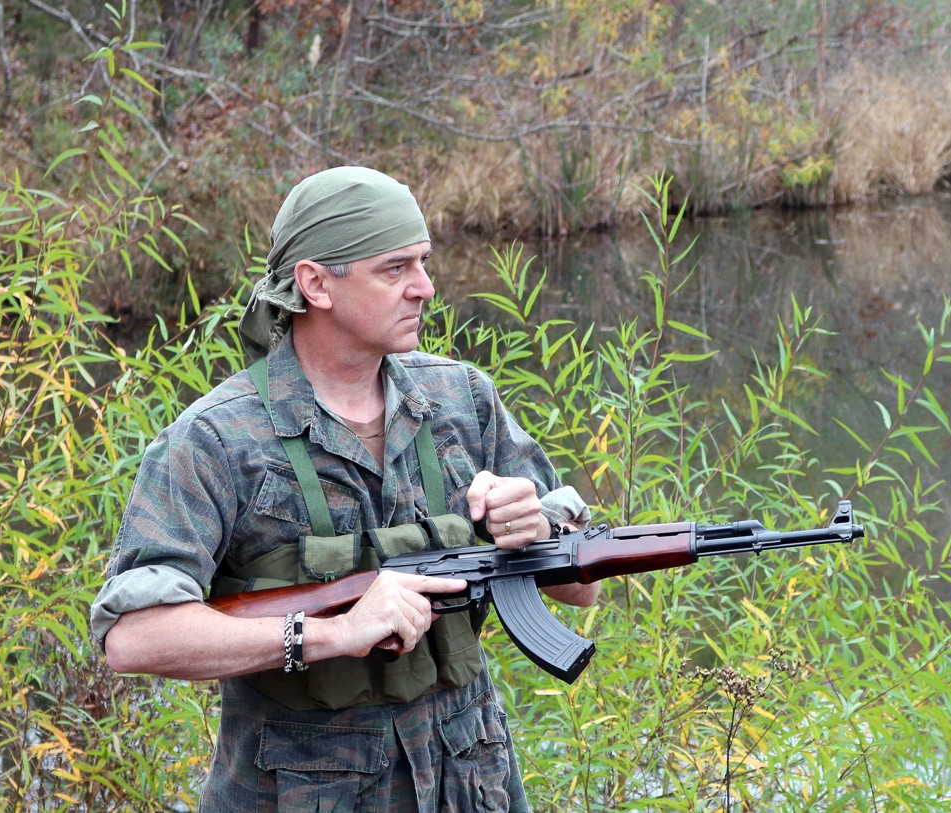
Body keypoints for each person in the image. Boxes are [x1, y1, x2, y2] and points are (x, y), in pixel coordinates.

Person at [90, 166, 597, 811]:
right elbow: (133, 637)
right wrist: (330, 633)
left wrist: (536, 531)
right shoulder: (217, 441)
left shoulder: (462, 399)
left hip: (472, 784)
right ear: (315, 284)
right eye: (395, 269)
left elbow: (580, 589)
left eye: (423, 263)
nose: (425, 288)